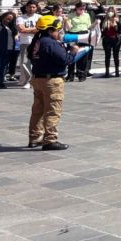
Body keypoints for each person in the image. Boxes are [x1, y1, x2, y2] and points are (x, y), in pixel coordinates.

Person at [26, 15, 83, 151]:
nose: (59, 32)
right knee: (52, 110)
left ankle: (35, 138)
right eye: (57, 30)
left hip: (38, 78)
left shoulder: (38, 41)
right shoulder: (51, 43)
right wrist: (73, 52)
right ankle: (50, 140)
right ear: (50, 30)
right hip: (51, 81)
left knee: (38, 110)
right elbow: (65, 60)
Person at [66, 1, 93, 81]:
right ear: (76, 8)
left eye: (83, 9)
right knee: (72, 53)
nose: (82, 11)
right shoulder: (70, 15)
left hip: (84, 34)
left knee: (83, 54)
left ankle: (81, 74)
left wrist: (95, 23)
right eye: (80, 9)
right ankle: (70, 75)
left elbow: (89, 26)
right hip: (73, 34)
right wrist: (66, 21)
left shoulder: (87, 15)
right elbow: (69, 27)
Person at [15, 0, 39, 89]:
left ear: (36, 8)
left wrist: (27, 30)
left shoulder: (39, 17)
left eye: (33, 7)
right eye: (29, 7)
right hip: (25, 43)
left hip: (37, 43)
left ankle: (36, 80)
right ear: (26, 8)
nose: (31, 9)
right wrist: (35, 30)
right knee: (25, 63)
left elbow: (40, 29)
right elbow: (21, 30)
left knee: (36, 62)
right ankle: (29, 81)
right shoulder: (20, 18)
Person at [0, 11, 16, 89]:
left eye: (11, 19)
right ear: (3, 16)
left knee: (3, 68)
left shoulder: (9, 27)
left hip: (7, 50)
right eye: (8, 18)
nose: (8, 20)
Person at [100, 7, 121, 78]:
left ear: (114, 12)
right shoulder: (104, 19)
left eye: (112, 11)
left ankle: (117, 72)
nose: (110, 13)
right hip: (107, 39)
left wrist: (117, 22)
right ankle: (107, 72)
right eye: (109, 11)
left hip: (116, 40)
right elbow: (101, 28)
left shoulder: (118, 19)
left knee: (116, 56)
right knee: (107, 56)